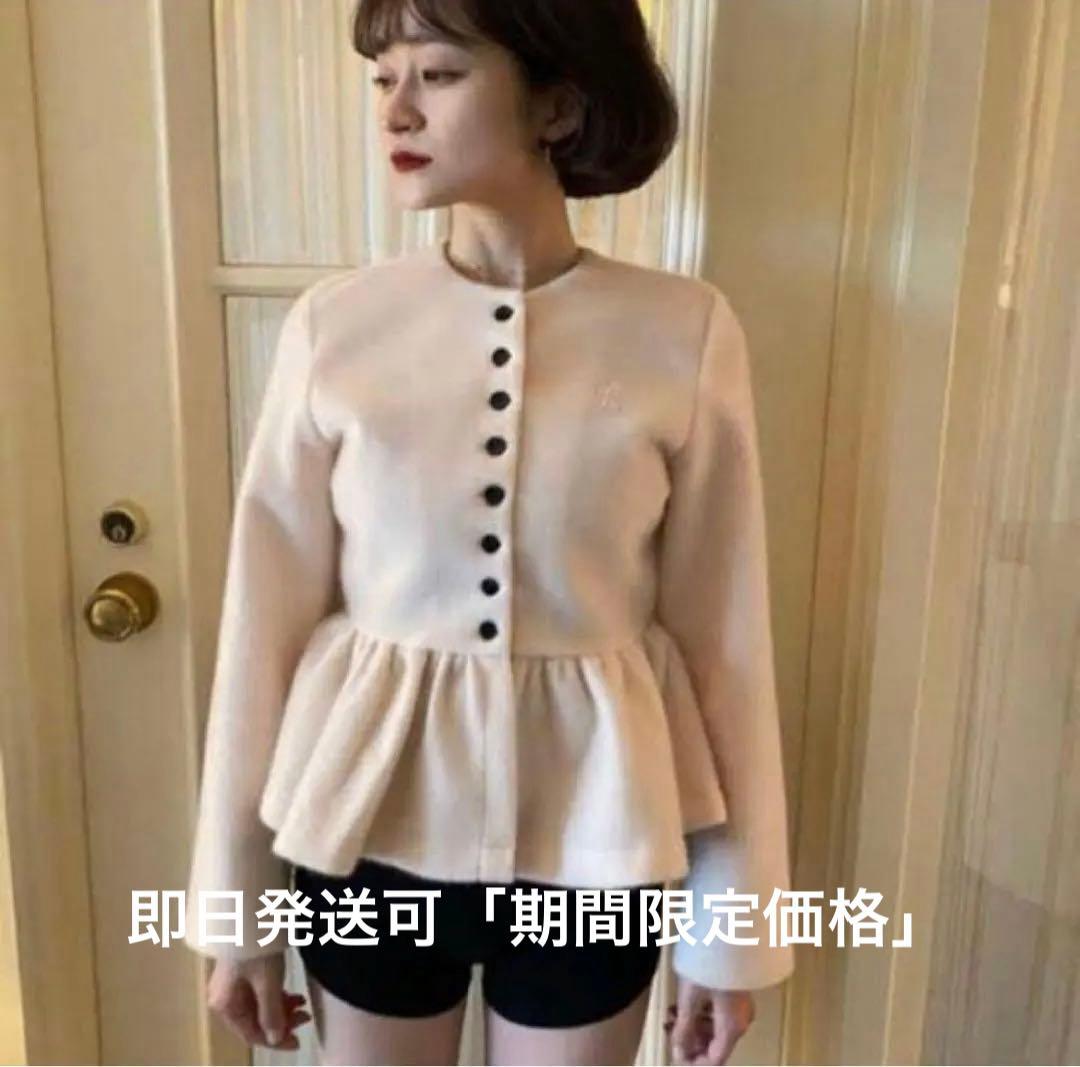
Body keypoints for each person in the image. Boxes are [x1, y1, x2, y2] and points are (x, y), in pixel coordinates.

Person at [184, 0, 796, 1063]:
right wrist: (237, 913)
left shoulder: (685, 330)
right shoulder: (335, 328)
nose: (396, 109)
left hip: (602, 841)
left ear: (557, 104)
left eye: (439, 74)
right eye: (383, 77)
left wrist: (730, 933)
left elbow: (726, 642)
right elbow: (262, 630)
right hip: (367, 833)